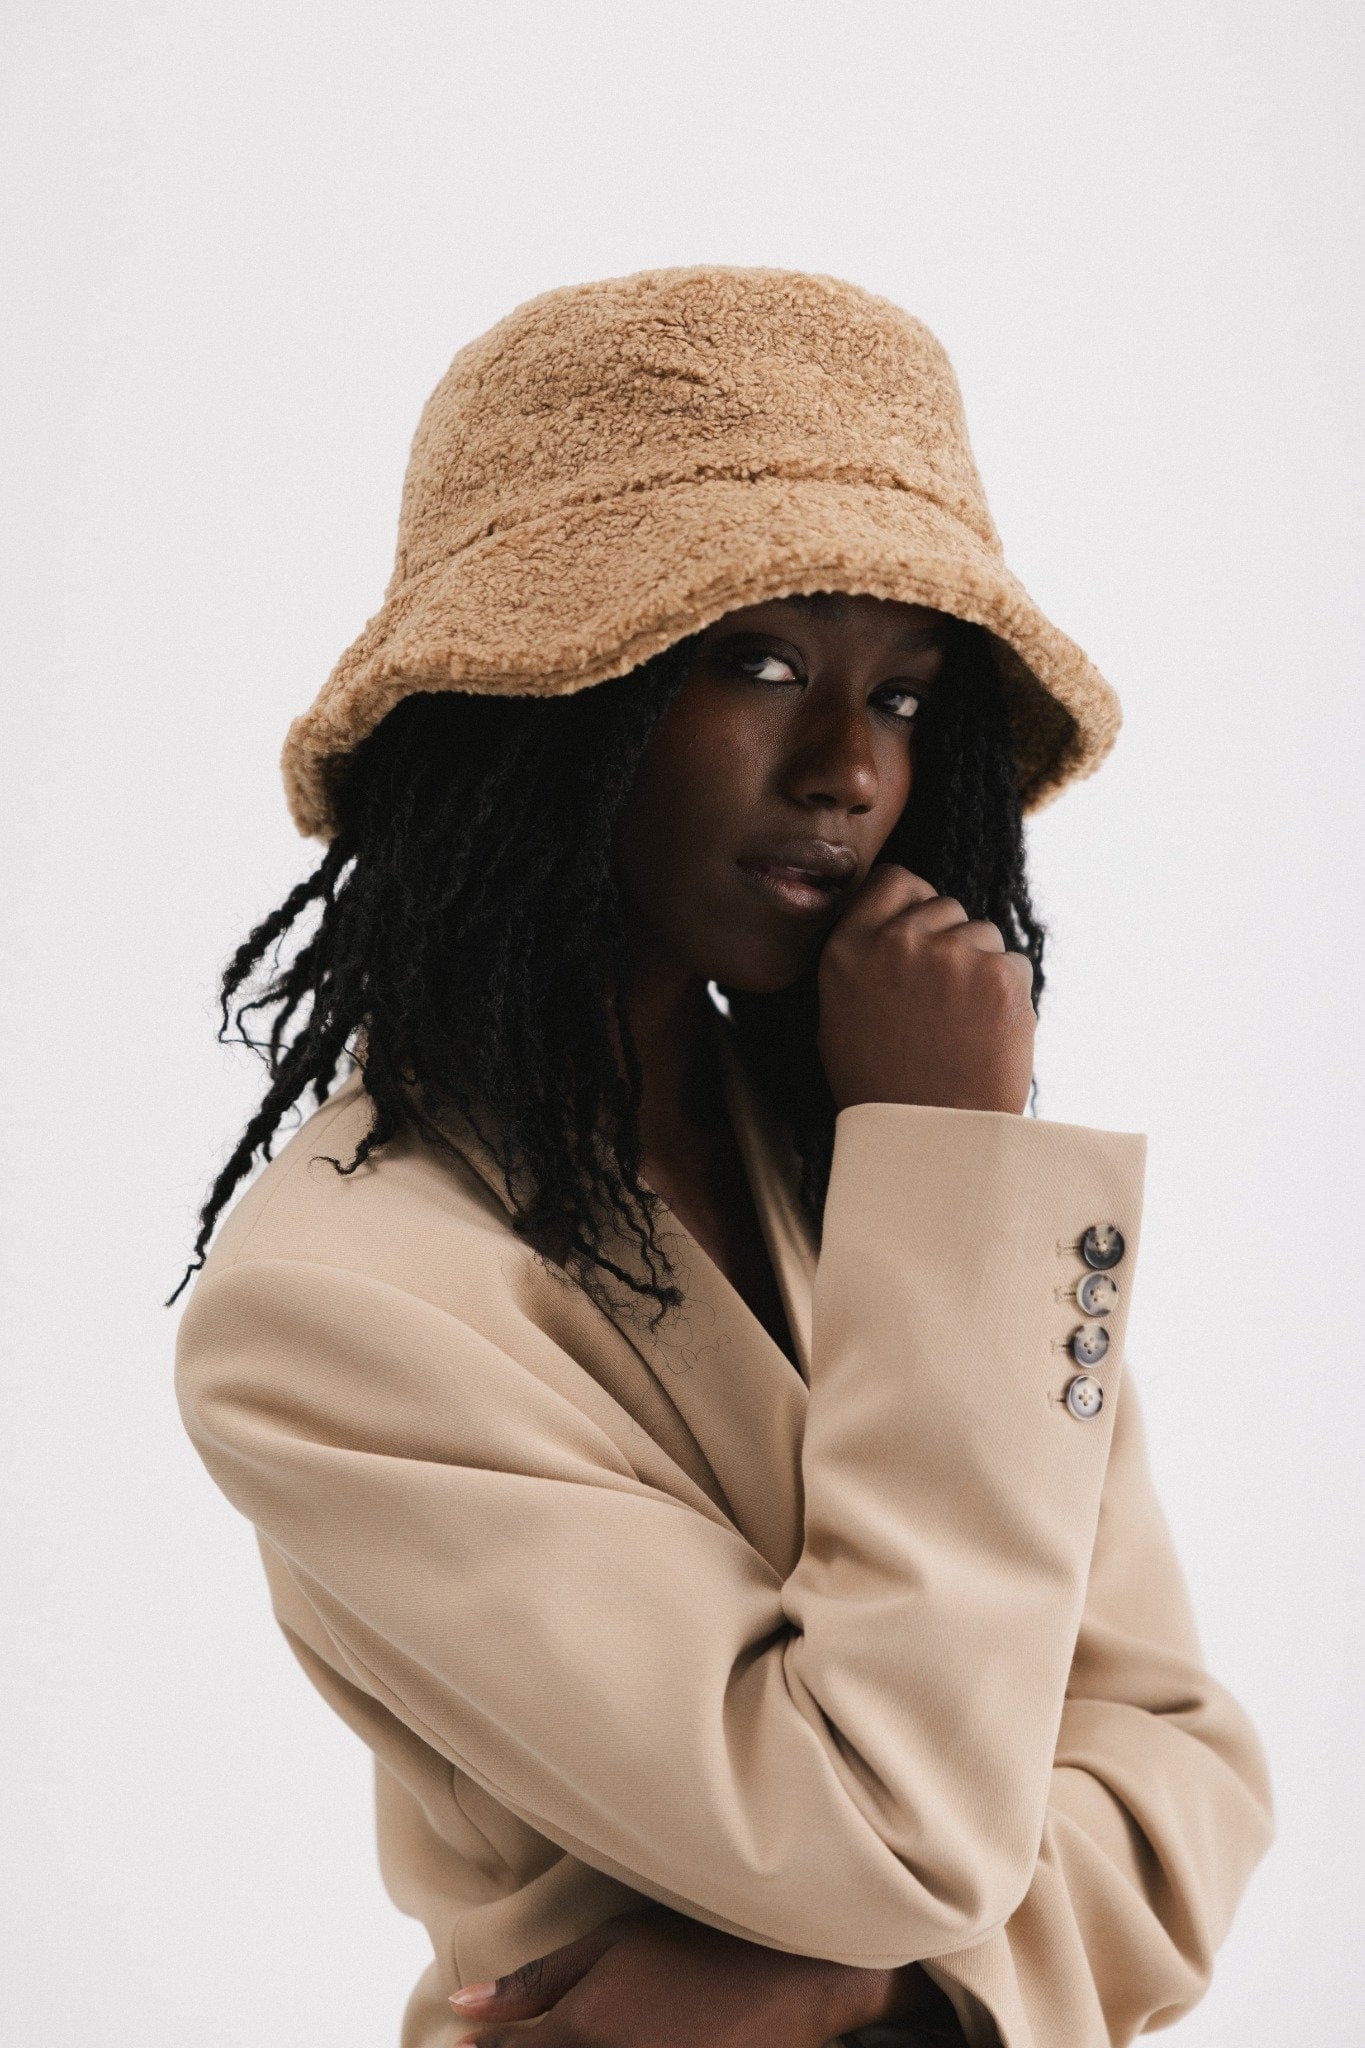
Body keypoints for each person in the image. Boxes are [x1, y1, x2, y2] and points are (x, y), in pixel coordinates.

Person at [170, 266, 1274, 2048]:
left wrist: (852, 1988)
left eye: (903, 695)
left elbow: (1181, 1780)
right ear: (545, 702)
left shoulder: (874, 1157)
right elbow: (890, 1836)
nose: (848, 771)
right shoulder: (332, 1313)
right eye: (753, 662)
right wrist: (896, 1928)